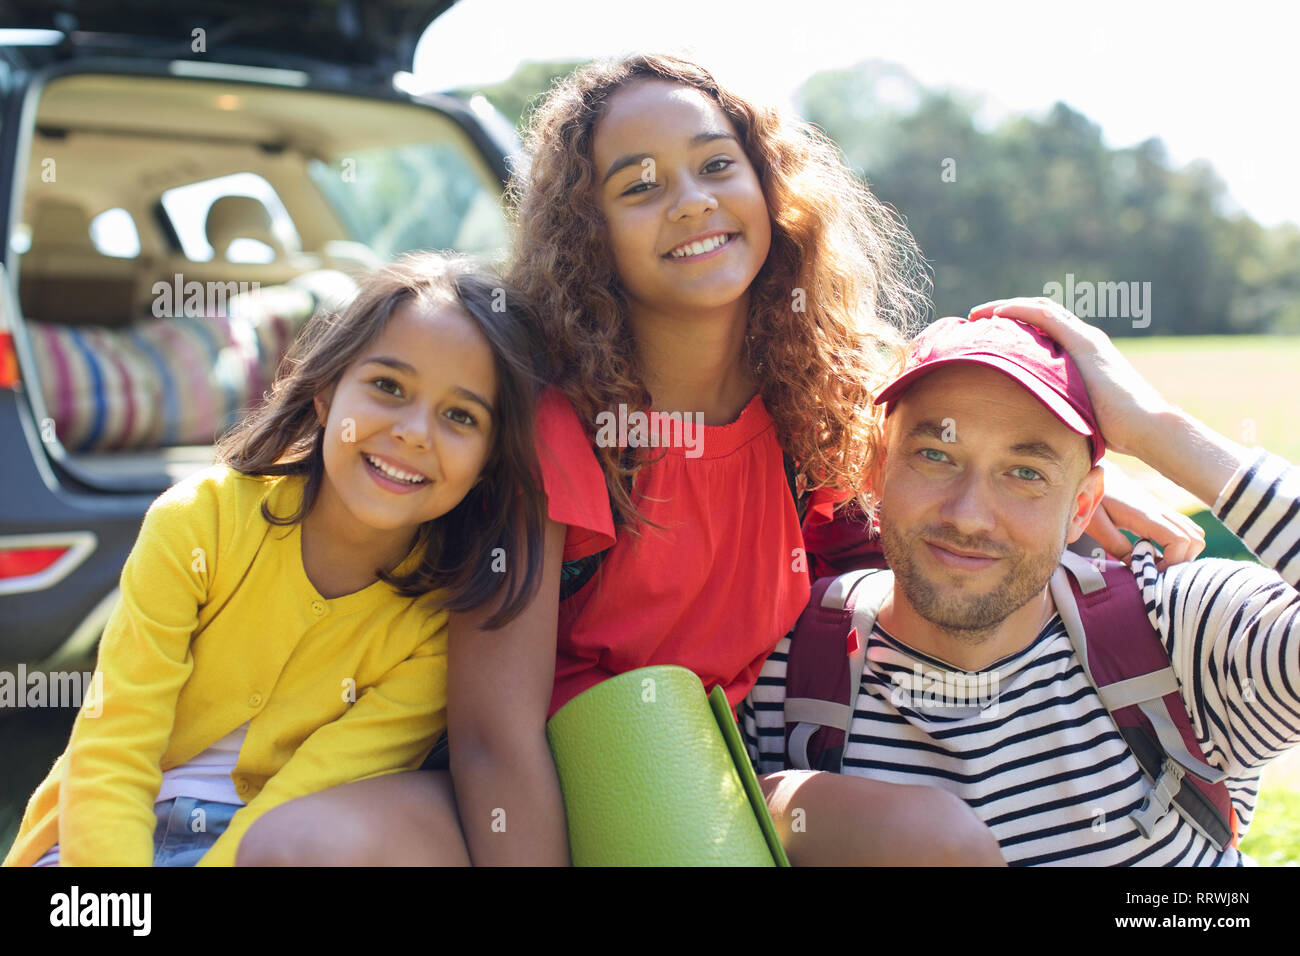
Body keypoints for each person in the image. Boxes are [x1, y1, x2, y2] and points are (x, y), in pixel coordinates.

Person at [237, 55, 1197, 867]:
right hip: (523, 790)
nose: (690, 203)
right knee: (303, 847)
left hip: (700, 778)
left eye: (715, 165)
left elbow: (961, 463)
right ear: (590, 234)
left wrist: (1091, 494)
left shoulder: (818, 404)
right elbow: (494, 736)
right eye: (639, 185)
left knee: (933, 837)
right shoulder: (561, 429)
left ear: (769, 190)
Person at [2, 252, 549, 867]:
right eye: (388, 387)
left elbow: (304, 793)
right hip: (100, 844)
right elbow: (114, 748)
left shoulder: (437, 623)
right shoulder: (198, 521)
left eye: (459, 416)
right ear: (324, 393)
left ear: (486, 465)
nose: (414, 432)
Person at [744, 299, 1300, 865]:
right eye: (936, 455)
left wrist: (1157, 429)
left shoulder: (1176, 635)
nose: (968, 515)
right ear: (875, 468)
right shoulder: (787, 661)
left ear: (1083, 505)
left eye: (1026, 473)